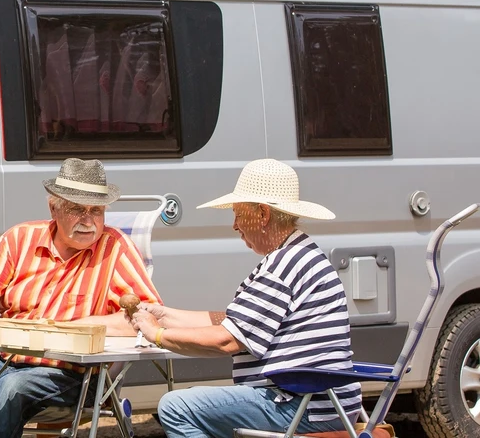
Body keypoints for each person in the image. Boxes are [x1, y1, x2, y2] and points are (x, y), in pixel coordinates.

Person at [0, 158, 162, 438]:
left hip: (74, 375)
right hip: (3, 362)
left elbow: (148, 316)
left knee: (14, 387)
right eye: (77, 209)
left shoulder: (115, 249)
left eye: (97, 211)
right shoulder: (19, 240)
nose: (89, 221)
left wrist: (79, 324)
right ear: (54, 208)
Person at [128, 158, 362, 438]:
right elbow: (234, 321)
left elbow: (228, 339)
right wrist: (166, 315)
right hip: (319, 402)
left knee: (176, 407)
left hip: (304, 405)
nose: (235, 226)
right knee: (197, 401)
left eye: (239, 214)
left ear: (262, 215)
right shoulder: (299, 254)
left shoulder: (281, 266)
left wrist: (157, 334)